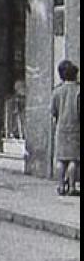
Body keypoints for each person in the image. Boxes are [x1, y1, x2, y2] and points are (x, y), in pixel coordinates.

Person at [52, 60, 80, 197]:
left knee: (61, 159)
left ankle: (60, 186)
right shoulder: (78, 90)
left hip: (61, 127)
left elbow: (53, 111)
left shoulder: (57, 91)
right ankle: (72, 187)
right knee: (73, 159)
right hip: (76, 127)